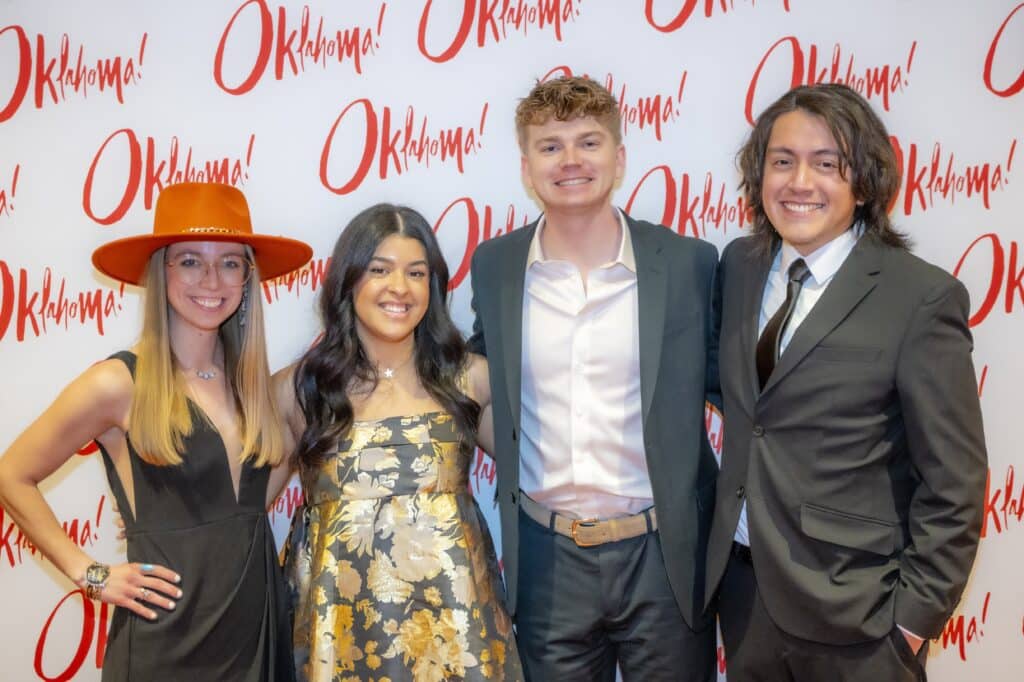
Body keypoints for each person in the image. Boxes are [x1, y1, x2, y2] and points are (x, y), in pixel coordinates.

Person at [704, 83, 988, 681]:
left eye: (826, 164)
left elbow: (954, 483)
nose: (799, 182)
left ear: (864, 183)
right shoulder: (739, 267)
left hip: (861, 619)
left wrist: (912, 623)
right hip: (745, 601)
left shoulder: (921, 297)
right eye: (782, 161)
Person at [0, 181, 312, 681]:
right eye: (190, 261)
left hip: (256, 629)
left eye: (230, 263)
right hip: (167, 639)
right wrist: (89, 574)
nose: (211, 279)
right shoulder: (118, 382)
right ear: (159, 270)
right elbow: (12, 474)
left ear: (247, 277)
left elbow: (244, 507)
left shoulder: (251, 385)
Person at [468, 75, 720, 681]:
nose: (571, 160)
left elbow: (738, 393)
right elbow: (478, 380)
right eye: (550, 146)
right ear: (527, 168)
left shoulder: (688, 262)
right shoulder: (495, 266)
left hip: (663, 554)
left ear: (619, 157)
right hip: (546, 558)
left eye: (588, 142)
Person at [275, 204, 523, 681]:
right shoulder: (300, 390)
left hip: (457, 640)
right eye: (379, 270)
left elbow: (540, 470)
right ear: (348, 281)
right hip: (337, 643)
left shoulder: (471, 380)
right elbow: (240, 514)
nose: (399, 288)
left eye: (416, 273)